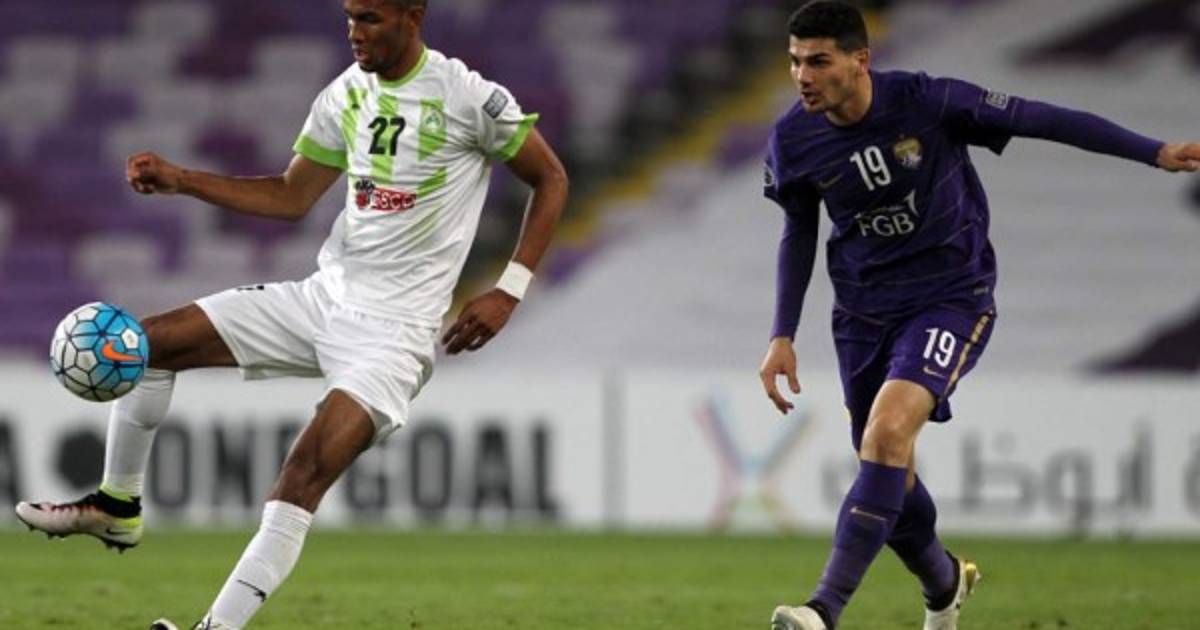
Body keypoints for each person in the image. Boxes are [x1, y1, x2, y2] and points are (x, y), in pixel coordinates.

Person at [14, 0, 568, 628]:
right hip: (322, 299)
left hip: (392, 335)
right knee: (145, 345)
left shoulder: (467, 96)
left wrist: (508, 290)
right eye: (349, 16)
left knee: (300, 476)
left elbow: (551, 178)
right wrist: (182, 180)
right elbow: (290, 194)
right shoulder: (345, 93)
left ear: (412, 15)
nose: (354, 32)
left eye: (370, 18)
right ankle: (118, 504)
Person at [758, 2, 1199, 629]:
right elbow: (798, 231)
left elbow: (1040, 117)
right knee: (887, 468)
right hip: (861, 313)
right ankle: (944, 583)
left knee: (886, 437)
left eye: (818, 61)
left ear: (860, 60)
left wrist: (1153, 151)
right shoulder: (793, 139)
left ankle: (821, 610)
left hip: (949, 297)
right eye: (795, 61)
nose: (803, 75)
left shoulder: (927, 101)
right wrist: (781, 333)